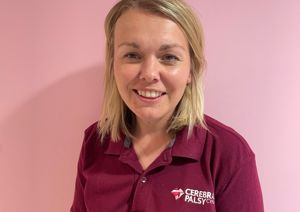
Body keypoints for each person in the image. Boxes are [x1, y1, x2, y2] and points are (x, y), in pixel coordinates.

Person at [70, 0, 264, 211]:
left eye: (169, 57)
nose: (149, 74)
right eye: (132, 55)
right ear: (113, 64)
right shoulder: (95, 142)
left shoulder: (229, 153)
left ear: (191, 69)